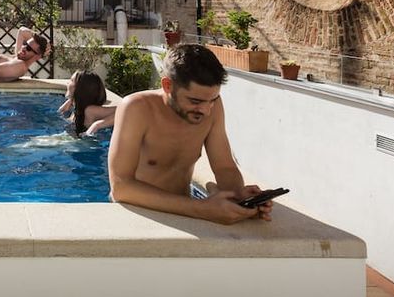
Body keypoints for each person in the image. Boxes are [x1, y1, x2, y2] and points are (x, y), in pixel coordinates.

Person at [107, 44, 272, 225]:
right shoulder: (137, 108)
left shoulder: (212, 106)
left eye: (212, 100)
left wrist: (239, 198)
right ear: (168, 85)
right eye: (195, 101)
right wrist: (202, 209)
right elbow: (121, 187)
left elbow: (224, 167)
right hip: (141, 217)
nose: (206, 111)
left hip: (185, 212)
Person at [59, 70, 117, 136]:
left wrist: (97, 125)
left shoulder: (90, 110)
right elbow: (60, 113)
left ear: (80, 88)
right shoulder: (76, 107)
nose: (67, 83)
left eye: (71, 80)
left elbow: (123, 111)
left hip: (83, 141)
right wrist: (71, 99)